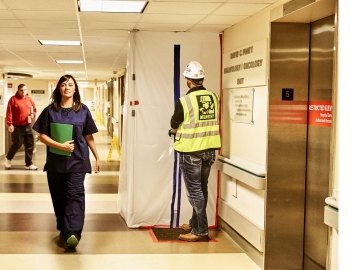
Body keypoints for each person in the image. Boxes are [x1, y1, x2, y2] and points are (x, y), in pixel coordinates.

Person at [32, 74, 100, 249]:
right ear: (59, 89)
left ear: (75, 88)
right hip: (56, 163)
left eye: (70, 84)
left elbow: (88, 135)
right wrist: (60, 146)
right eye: (63, 85)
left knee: (75, 195)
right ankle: (64, 227)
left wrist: (97, 156)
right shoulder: (50, 110)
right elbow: (42, 136)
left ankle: (73, 233)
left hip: (78, 161)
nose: (67, 87)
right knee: (59, 197)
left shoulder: (83, 110)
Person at [169, 61, 221, 242]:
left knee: (194, 192)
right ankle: (194, 223)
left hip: (191, 151)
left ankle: (200, 230)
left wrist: (174, 130)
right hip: (209, 150)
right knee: (202, 189)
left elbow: (174, 123)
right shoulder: (213, 97)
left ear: (188, 81)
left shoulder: (185, 101)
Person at [4, 84, 38, 170]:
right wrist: (10, 124)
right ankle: (8, 158)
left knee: (30, 144)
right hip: (17, 126)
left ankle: (28, 164)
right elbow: (9, 112)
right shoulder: (13, 99)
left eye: (25, 90)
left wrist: (33, 114)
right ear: (18, 90)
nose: (23, 92)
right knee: (17, 144)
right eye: (21, 90)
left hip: (27, 125)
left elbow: (34, 109)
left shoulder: (29, 99)